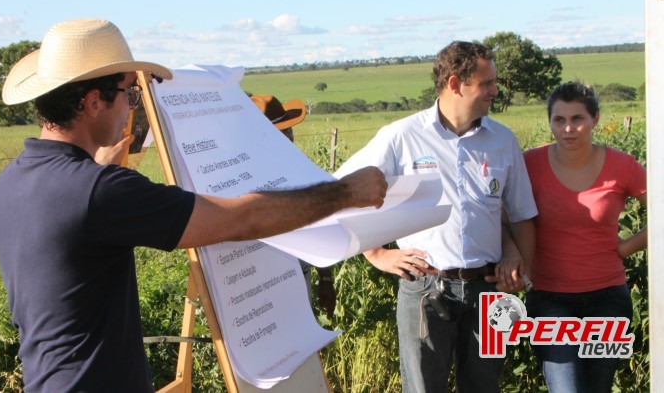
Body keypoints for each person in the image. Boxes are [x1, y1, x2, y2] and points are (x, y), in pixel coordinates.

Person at [0, 18, 387, 392]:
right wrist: (344, 193)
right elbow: (242, 219)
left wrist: (97, 172)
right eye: (129, 93)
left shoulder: (14, 180)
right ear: (94, 102)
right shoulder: (100, 191)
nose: (133, 106)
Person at [334, 40, 537, 393]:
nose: (495, 90)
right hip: (425, 288)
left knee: (484, 387)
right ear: (456, 84)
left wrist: (520, 265)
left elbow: (521, 215)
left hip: (489, 291)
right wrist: (377, 253)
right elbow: (344, 191)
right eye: (486, 83)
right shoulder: (401, 137)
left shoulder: (503, 140)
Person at [523, 82, 647, 393]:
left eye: (577, 118)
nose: (568, 128)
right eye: (558, 120)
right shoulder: (529, 164)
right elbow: (501, 216)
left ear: (595, 119)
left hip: (608, 299)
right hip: (549, 299)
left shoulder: (622, 166)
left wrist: (625, 248)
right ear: (550, 121)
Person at [250, 93, 336, 318]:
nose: (290, 136)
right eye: (282, 132)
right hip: (262, 286)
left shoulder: (299, 170)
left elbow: (318, 226)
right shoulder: (248, 179)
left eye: (290, 130)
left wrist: (325, 278)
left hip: (299, 275)